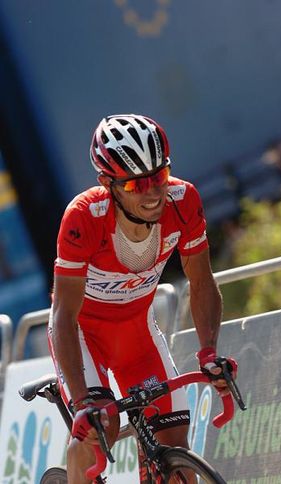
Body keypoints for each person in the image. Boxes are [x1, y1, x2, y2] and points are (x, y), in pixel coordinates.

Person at [48, 114, 237, 483]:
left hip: (137, 333)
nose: (153, 193)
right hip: (84, 335)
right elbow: (63, 316)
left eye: (159, 177)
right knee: (95, 432)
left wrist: (209, 353)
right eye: (137, 184)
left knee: (176, 451)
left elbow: (201, 282)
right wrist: (85, 402)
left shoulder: (185, 200)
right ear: (109, 184)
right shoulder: (83, 218)